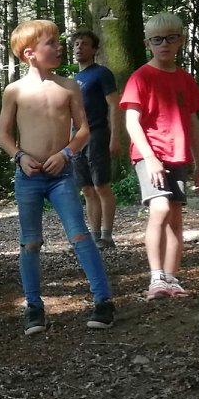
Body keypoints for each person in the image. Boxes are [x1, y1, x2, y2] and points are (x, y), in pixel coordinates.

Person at [0, 19, 115, 334]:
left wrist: (65, 154)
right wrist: (20, 157)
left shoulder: (69, 86)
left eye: (58, 41)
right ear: (30, 53)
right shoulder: (15, 90)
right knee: (30, 241)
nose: (60, 46)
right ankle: (34, 308)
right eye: (52, 42)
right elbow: (3, 134)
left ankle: (103, 301)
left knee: (80, 235)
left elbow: (84, 130)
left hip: (62, 174)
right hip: (29, 177)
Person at [121, 13, 199, 299]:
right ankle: (156, 277)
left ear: (180, 40)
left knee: (176, 217)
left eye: (171, 38)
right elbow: (132, 122)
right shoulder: (140, 77)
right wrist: (151, 157)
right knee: (159, 209)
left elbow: (193, 122)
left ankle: (171, 278)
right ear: (148, 43)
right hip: (149, 155)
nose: (164, 44)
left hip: (178, 156)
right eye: (157, 40)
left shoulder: (185, 79)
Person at [70, 30, 121, 248]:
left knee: (101, 186)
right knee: (87, 189)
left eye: (85, 44)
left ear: (94, 50)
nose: (79, 47)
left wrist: (115, 137)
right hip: (77, 138)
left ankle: (107, 235)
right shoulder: (74, 80)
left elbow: (114, 105)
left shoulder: (101, 74)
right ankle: (94, 235)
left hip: (97, 134)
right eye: (76, 44)